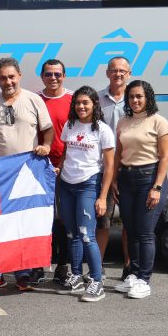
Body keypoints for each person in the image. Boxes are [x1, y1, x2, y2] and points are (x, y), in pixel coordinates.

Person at [0, 57, 53, 291]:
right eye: (2, 78)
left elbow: (47, 130)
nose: (7, 81)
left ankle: (23, 274)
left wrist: (46, 147)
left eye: (11, 76)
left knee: (23, 225)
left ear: (19, 75)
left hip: (27, 173)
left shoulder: (34, 100)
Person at [113, 80, 168, 299]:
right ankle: (134, 275)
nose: (135, 100)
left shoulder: (159, 122)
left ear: (148, 98)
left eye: (139, 96)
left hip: (149, 179)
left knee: (145, 233)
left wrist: (157, 187)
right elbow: (119, 153)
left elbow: (164, 157)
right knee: (132, 230)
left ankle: (144, 280)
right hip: (126, 179)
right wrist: (115, 180)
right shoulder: (123, 122)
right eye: (131, 97)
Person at [56, 87, 115, 302]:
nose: (81, 106)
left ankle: (97, 282)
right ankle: (77, 276)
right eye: (78, 103)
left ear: (94, 105)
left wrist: (102, 196)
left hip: (88, 185)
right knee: (71, 234)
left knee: (87, 234)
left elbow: (109, 166)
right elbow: (66, 153)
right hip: (66, 184)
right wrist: (59, 169)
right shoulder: (69, 125)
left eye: (86, 103)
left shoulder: (102, 130)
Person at [37, 60, 73, 284]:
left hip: (66, 167)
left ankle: (62, 265)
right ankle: (38, 265)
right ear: (42, 76)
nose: (53, 78)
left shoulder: (72, 99)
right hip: (39, 168)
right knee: (40, 219)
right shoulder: (34, 99)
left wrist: (63, 163)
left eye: (57, 74)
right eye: (48, 74)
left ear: (64, 75)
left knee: (63, 219)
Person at [97, 56, 133, 279]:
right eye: (114, 70)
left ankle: (129, 267)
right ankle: (97, 266)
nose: (118, 74)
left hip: (129, 169)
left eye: (122, 71)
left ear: (129, 73)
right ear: (107, 73)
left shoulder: (137, 98)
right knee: (104, 220)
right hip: (104, 169)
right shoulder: (98, 99)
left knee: (128, 220)